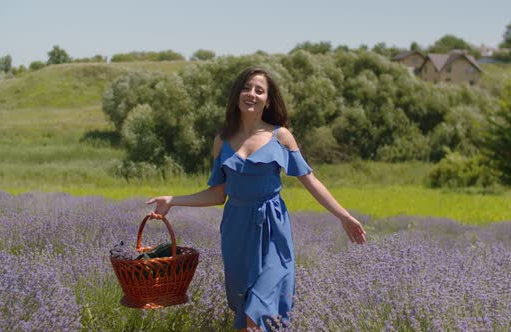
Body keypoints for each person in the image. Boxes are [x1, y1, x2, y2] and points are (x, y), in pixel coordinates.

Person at [146, 66, 366, 331]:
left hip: (273, 231)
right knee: (245, 310)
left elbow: (310, 180)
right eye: (246, 88)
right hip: (236, 231)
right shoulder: (222, 140)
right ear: (237, 94)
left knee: (259, 309)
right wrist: (173, 199)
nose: (251, 94)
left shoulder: (280, 136)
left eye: (259, 90)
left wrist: (343, 216)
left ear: (268, 100)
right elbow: (217, 194)